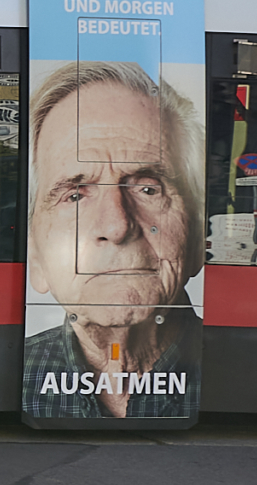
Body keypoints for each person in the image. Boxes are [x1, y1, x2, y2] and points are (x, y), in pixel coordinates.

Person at [22, 60, 202, 421]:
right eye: (74, 195)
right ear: (35, 256)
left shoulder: (251, 369)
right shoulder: (15, 374)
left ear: (196, 238)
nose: (117, 225)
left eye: (148, 188)